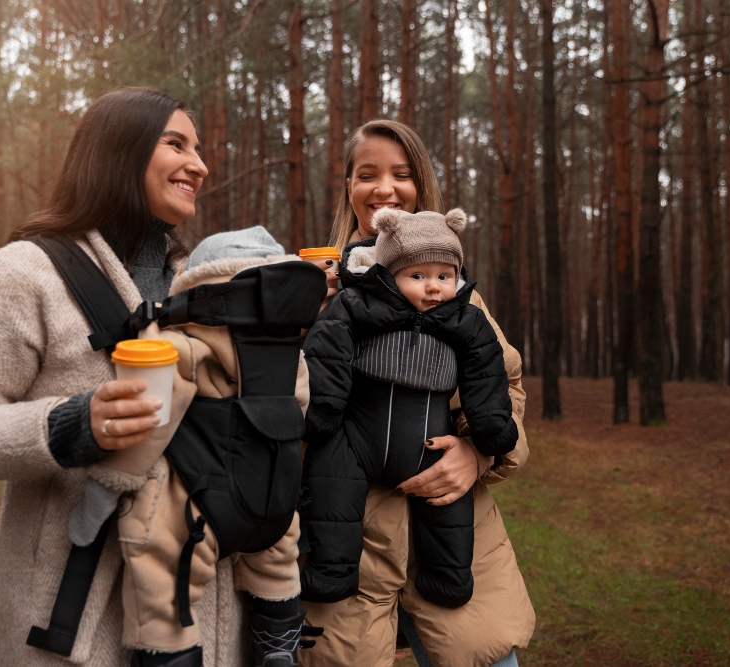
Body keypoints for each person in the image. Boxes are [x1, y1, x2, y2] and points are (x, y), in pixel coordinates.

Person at [0, 88, 247, 666]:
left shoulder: (201, 286)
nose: (200, 165)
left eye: (200, 149)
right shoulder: (19, 276)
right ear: (120, 151)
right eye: (176, 143)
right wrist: (70, 425)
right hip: (77, 623)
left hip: (207, 612)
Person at [299, 119, 535, 667]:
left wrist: (481, 453)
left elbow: (508, 386)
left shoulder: (448, 292)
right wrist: (301, 311)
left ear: (420, 185)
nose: (385, 188)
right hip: (344, 547)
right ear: (349, 188)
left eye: (401, 174)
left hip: (455, 542)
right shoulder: (317, 291)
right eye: (367, 174)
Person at [99, 226, 319, 667]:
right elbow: (302, 409)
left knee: (164, 568)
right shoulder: (289, 352)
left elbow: (153, 421)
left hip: (203, 501)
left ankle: (169, 653)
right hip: (274, 495)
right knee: (279, 562)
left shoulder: (180, 341)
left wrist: (113, 480)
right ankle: (278, 644)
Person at [300, 207, 518, 612]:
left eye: (444, 276)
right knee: (332, 489)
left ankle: (448, 577)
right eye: (417, 276)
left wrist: (490, 430)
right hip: (354, 436)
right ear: (390, 276)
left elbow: (487, 372)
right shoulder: (359, 304)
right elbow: (328, 346)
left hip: (428, 443)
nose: (433, 287)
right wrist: (324, 408)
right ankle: (332, 571)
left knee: (447, 506)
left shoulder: (467, 320)